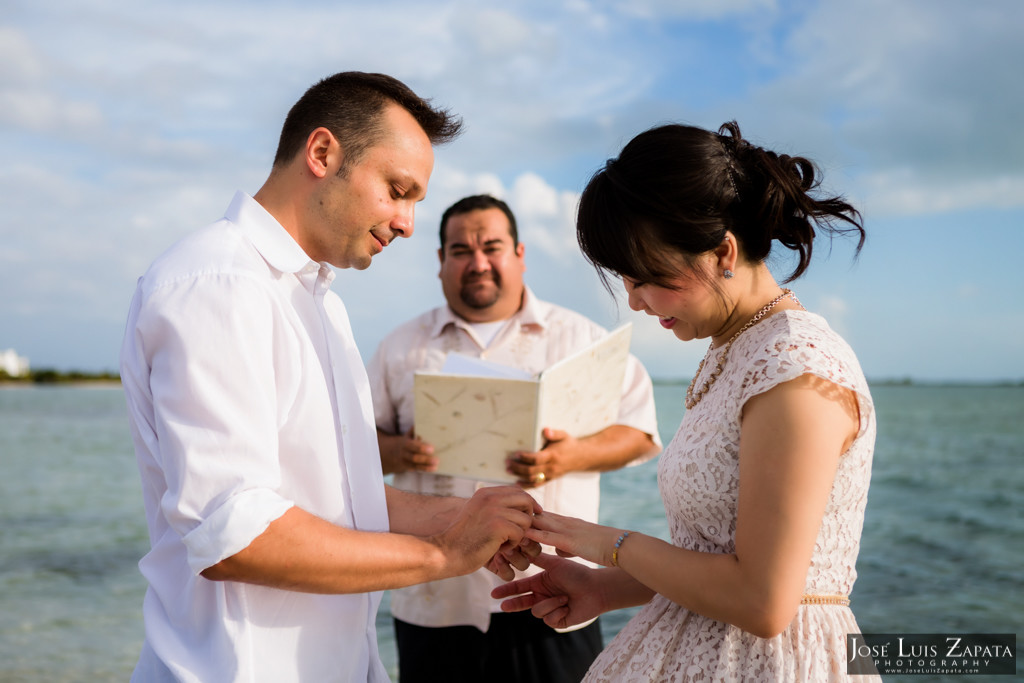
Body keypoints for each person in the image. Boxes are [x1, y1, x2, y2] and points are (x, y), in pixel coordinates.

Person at [119, 72, 541, 683]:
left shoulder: (320, 301)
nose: (408, 223)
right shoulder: (217, 284)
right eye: (399, 191)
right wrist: (443, 554)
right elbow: (236, 536)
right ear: (322, 154)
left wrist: (466, 517)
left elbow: (343, 497)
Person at [493, 121, 882, 682]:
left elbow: (763, 601)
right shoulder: (739, 350)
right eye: (625, 280)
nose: (635, 300)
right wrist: (603, 587)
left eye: (648, 277)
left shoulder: (797, 367)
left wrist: (609, 544)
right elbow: (719, 553)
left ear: (723, 250)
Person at [365, 194, 662, 683]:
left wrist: (567, 457)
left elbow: (640, 431)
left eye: (492, 247)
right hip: (435, 598)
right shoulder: (400, 347)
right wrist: (399, 450)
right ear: (441, 262)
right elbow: (352, 449)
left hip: (553, 593)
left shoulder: (581, 340)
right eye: (460, 250)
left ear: (519, 254)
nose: (477, 262)